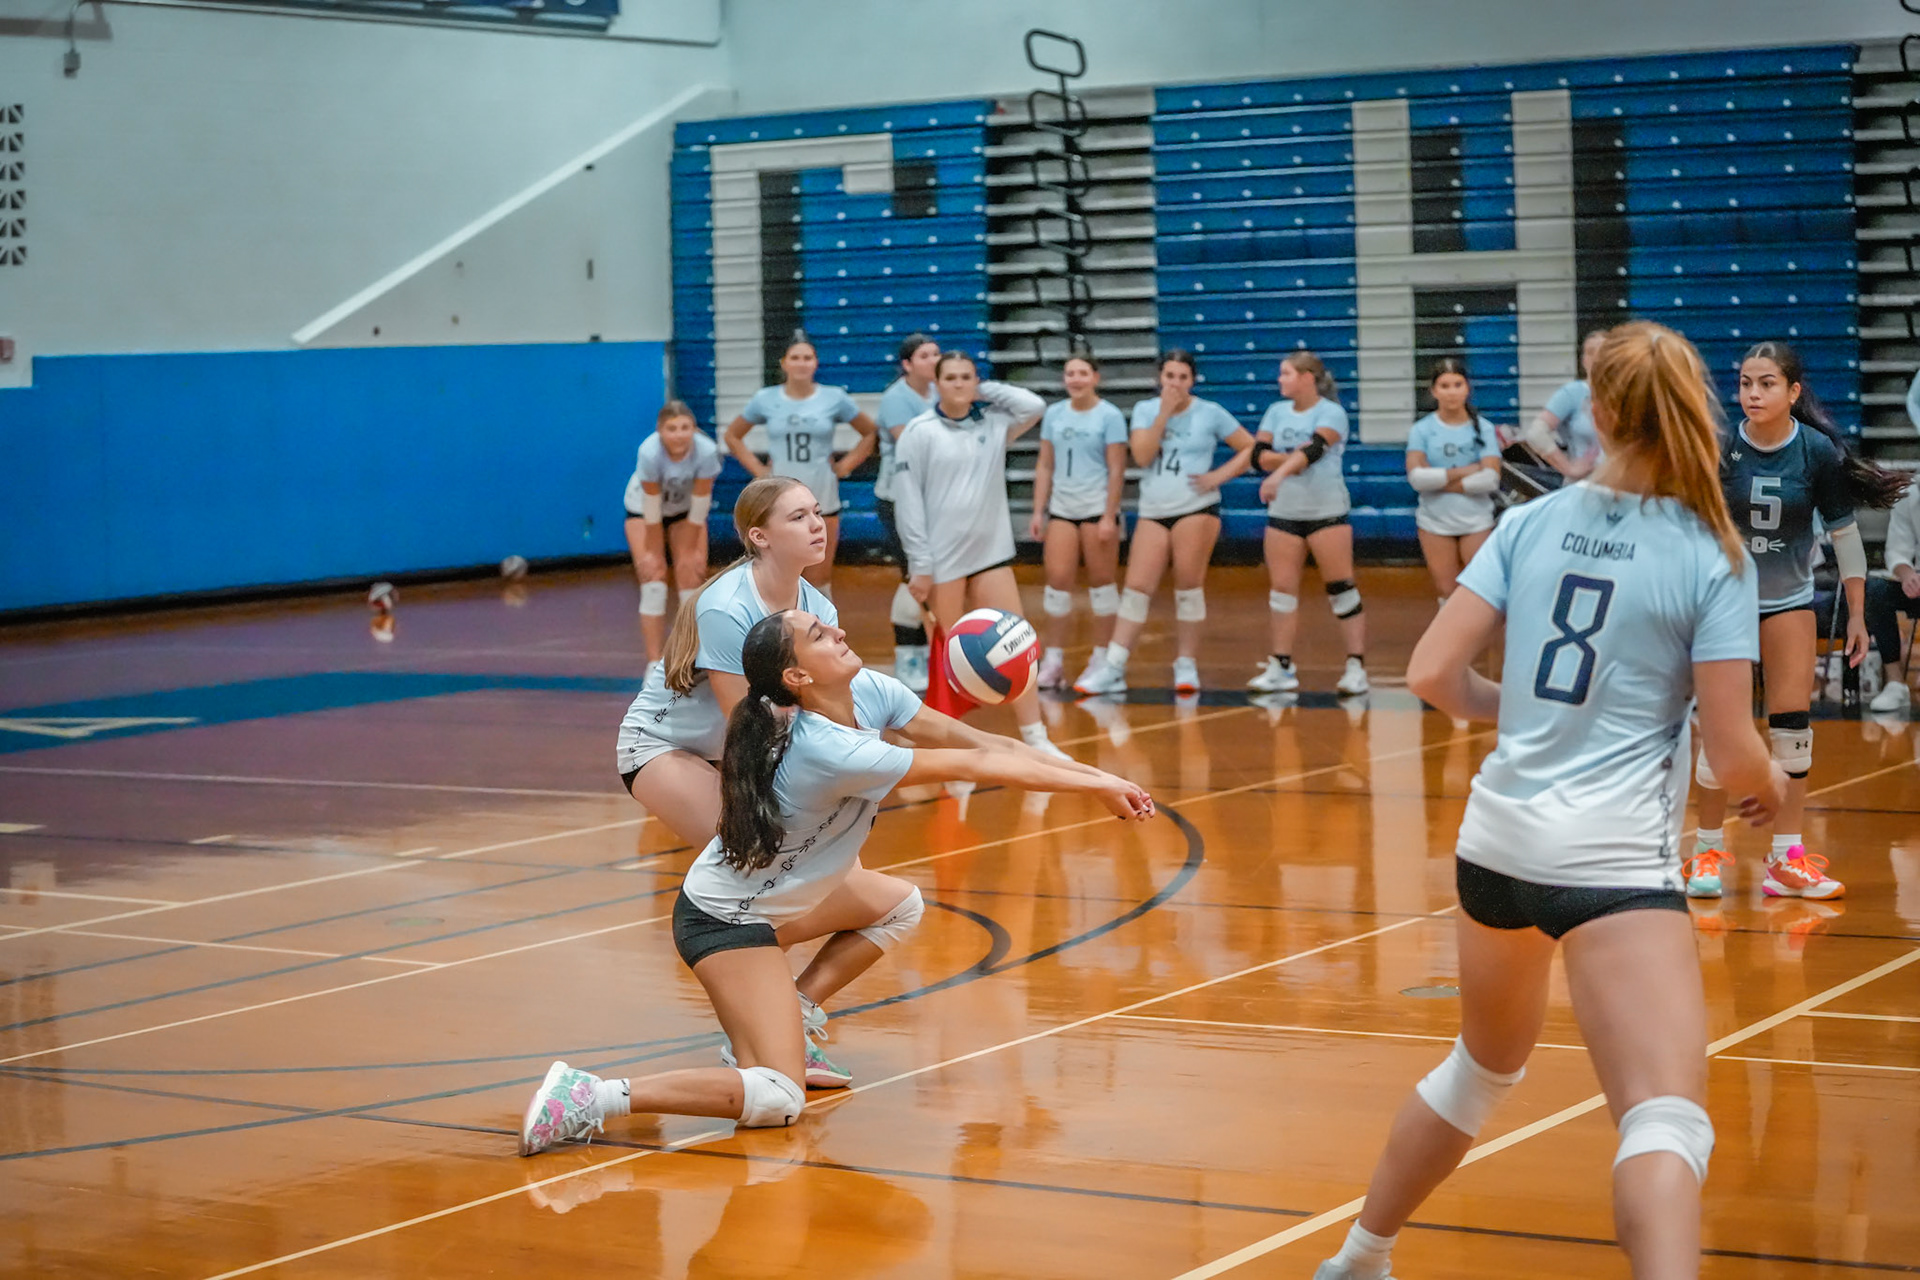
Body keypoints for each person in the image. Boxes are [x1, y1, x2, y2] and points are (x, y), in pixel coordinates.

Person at [1315, 320, 1784, 1280]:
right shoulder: (1711, 552)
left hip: (1495, 847)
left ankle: (1359, 1259)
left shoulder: (1528, 522)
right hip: (1611, 865)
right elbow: (1734, 752)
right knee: (1665, 1119)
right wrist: (1771, 786)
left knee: (1479, 1070)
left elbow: (1434, 675)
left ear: (1598, 414)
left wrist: (1527, 710)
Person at [521, 608, 1154, 1156]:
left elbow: (981, 741)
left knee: (899, 905)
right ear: (797, 677)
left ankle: (788, 1013)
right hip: (725, 922)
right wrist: (1099, 785)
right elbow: (982, 764)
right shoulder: (830, 750)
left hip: (773, 905)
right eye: (820, 636)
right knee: (779, 1097)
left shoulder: (870, 692)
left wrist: (1094, 776)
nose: (839, 632)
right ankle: (590, 1096)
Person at [1685, 342, 1909, 902]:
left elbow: (1845, 536)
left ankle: (1785, 861)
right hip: (1724, 603)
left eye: (1766, 383)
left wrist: (1856, 613)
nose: (1752, 393)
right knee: (1721, 733)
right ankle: (1705, 852)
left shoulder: (1816, 451)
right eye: (1745, 383)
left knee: (1792, 736)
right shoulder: (1718, 446)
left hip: (1788, 602)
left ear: (1793, 392)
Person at [893, 351, 1063, 754]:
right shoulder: (919, 431)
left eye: (966, 377)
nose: (958, 384)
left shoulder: (994, 422)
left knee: (1016, 645)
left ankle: (1036, 738)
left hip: (990, 555)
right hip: (941, 562)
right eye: (950, 377)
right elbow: (908, 503)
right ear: (936, 383)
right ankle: (953, 749)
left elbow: (1033, 406)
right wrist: (920, 564)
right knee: (950, 660)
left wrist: (982, 390)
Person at [1073, 350, 1256, 696]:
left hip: (1195, 507)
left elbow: (1251, 447)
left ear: (1193, 381)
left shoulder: (1210, 412)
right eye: (1169, 376)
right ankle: (1114, 667)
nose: (1175, 383)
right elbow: (1142, 456)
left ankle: (1186, 664)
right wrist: (1164, 415)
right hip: (1154, 509)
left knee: (1188, 585)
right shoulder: (1146, 410)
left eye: (1182, 377)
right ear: (1160, 378)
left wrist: (1219, 475)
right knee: (1136, 588)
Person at [1247, 351, 1370, 697]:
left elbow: (1314, 450)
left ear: (1306, 378)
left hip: (1325, 511)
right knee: (1282, 591)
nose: (1280, 379)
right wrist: (1291, 460)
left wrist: (1279, 471)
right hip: (1284, 513)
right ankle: (1281, 666)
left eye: (1286, 373)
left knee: (1341, 589)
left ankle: (1356, 666)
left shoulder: (1331, 412)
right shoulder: (1276, 411)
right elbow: (1258, 456)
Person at [723, 333, 880, 597]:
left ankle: (819, 623)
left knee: (819, 578)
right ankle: (781, 623)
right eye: (795, 357)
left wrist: (845, 466)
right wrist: (760, 472)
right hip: (778, 499)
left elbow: (869, 432)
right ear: (784, 363)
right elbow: (732, 435)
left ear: (816, 363)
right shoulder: (766, 398)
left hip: (821, 495)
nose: (801, 363)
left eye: (807, 358)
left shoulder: (834, 397)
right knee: (780, 574)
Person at [1027, 353, 1129, 690]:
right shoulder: (1055, 414)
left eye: (1083, 373)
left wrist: (1109, 515)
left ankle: (1102, 658)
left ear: (1095, 378)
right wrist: (1038, 510)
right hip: (1062, 508)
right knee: (1057, 583)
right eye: (1070, 373)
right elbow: (1045, 464)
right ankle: (1053, 659)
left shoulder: (1109, 416)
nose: (1076, 379)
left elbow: (1117, 468)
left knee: (1102, 585)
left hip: (1096, 508)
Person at [623, 401, 722, 669]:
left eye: (685, 427)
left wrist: (688, 553)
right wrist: (653, 553)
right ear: (660, 430)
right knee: (653, 580)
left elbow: (700, 504)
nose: (679, 435)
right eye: (672, 428)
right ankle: (654, 663)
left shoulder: (706, 451)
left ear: (694, 428)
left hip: (685, 511)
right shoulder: (649, 452)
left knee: (691, 575)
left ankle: (693, 658)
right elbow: (652, 509)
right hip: (644, 510)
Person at [1405, 358, 1505, 606]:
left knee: (1479, 591)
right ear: (1434, 391)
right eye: (1445, 386)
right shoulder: (1422, 430)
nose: (1451, 392)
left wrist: (1438, 480)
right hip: (1434, 521)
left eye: (1457, 385)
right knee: (1446, 592)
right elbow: (1417, 478)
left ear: (1467, 388)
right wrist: (1467, 471)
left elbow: (1490, 479)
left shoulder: (1484, 429)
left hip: (1476, 520)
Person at [876, 334, 940, 692]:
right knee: (914, 575)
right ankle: (907, 656)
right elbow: (912, 445)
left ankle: (924, 653)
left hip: (932, 499)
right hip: (898, 498)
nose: (934, 360)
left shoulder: (940, 392)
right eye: (925, 355)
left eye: (936, 353)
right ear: (907, 364)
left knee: (929, 575)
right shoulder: (896, 399)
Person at [1853, 482, 1919, 714]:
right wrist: (1907, 574)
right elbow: (1897, 551)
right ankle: (1895, 683)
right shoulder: (1912, 493)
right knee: (1877, 590)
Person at [1520, 327, 1609, 482]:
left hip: (1625, 486)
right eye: (1590, 352)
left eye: (1604, 352)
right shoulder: (1574, 393)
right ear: (1583, 360)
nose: (1597, 358)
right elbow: (1536, 433)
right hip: (1584, 485)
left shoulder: (1629, 393)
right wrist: (1569, 468)